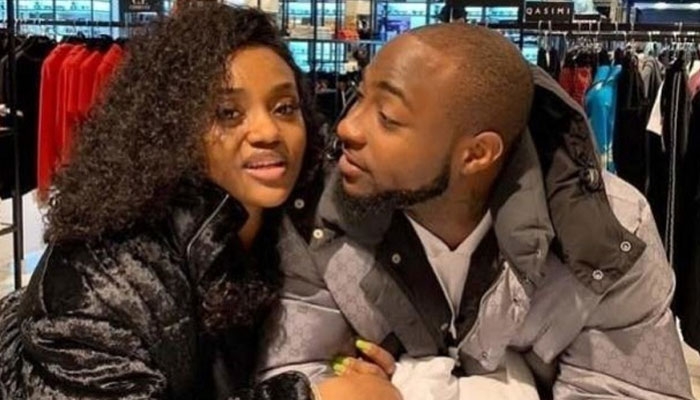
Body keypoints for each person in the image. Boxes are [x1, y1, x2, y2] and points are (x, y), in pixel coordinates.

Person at [258, 23, 695, 399]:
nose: (346, 126)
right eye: (359, 95)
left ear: (477, 154)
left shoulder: (609, 232)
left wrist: (413, 387)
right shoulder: (316, 215)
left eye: (388, 117)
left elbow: (632, 389)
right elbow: (293, 375)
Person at [0, 4, 322, 399]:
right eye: (227, 113)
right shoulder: (98, 279)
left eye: (285, 108)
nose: (268, 131)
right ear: (171, 128)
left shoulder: (288, 228)